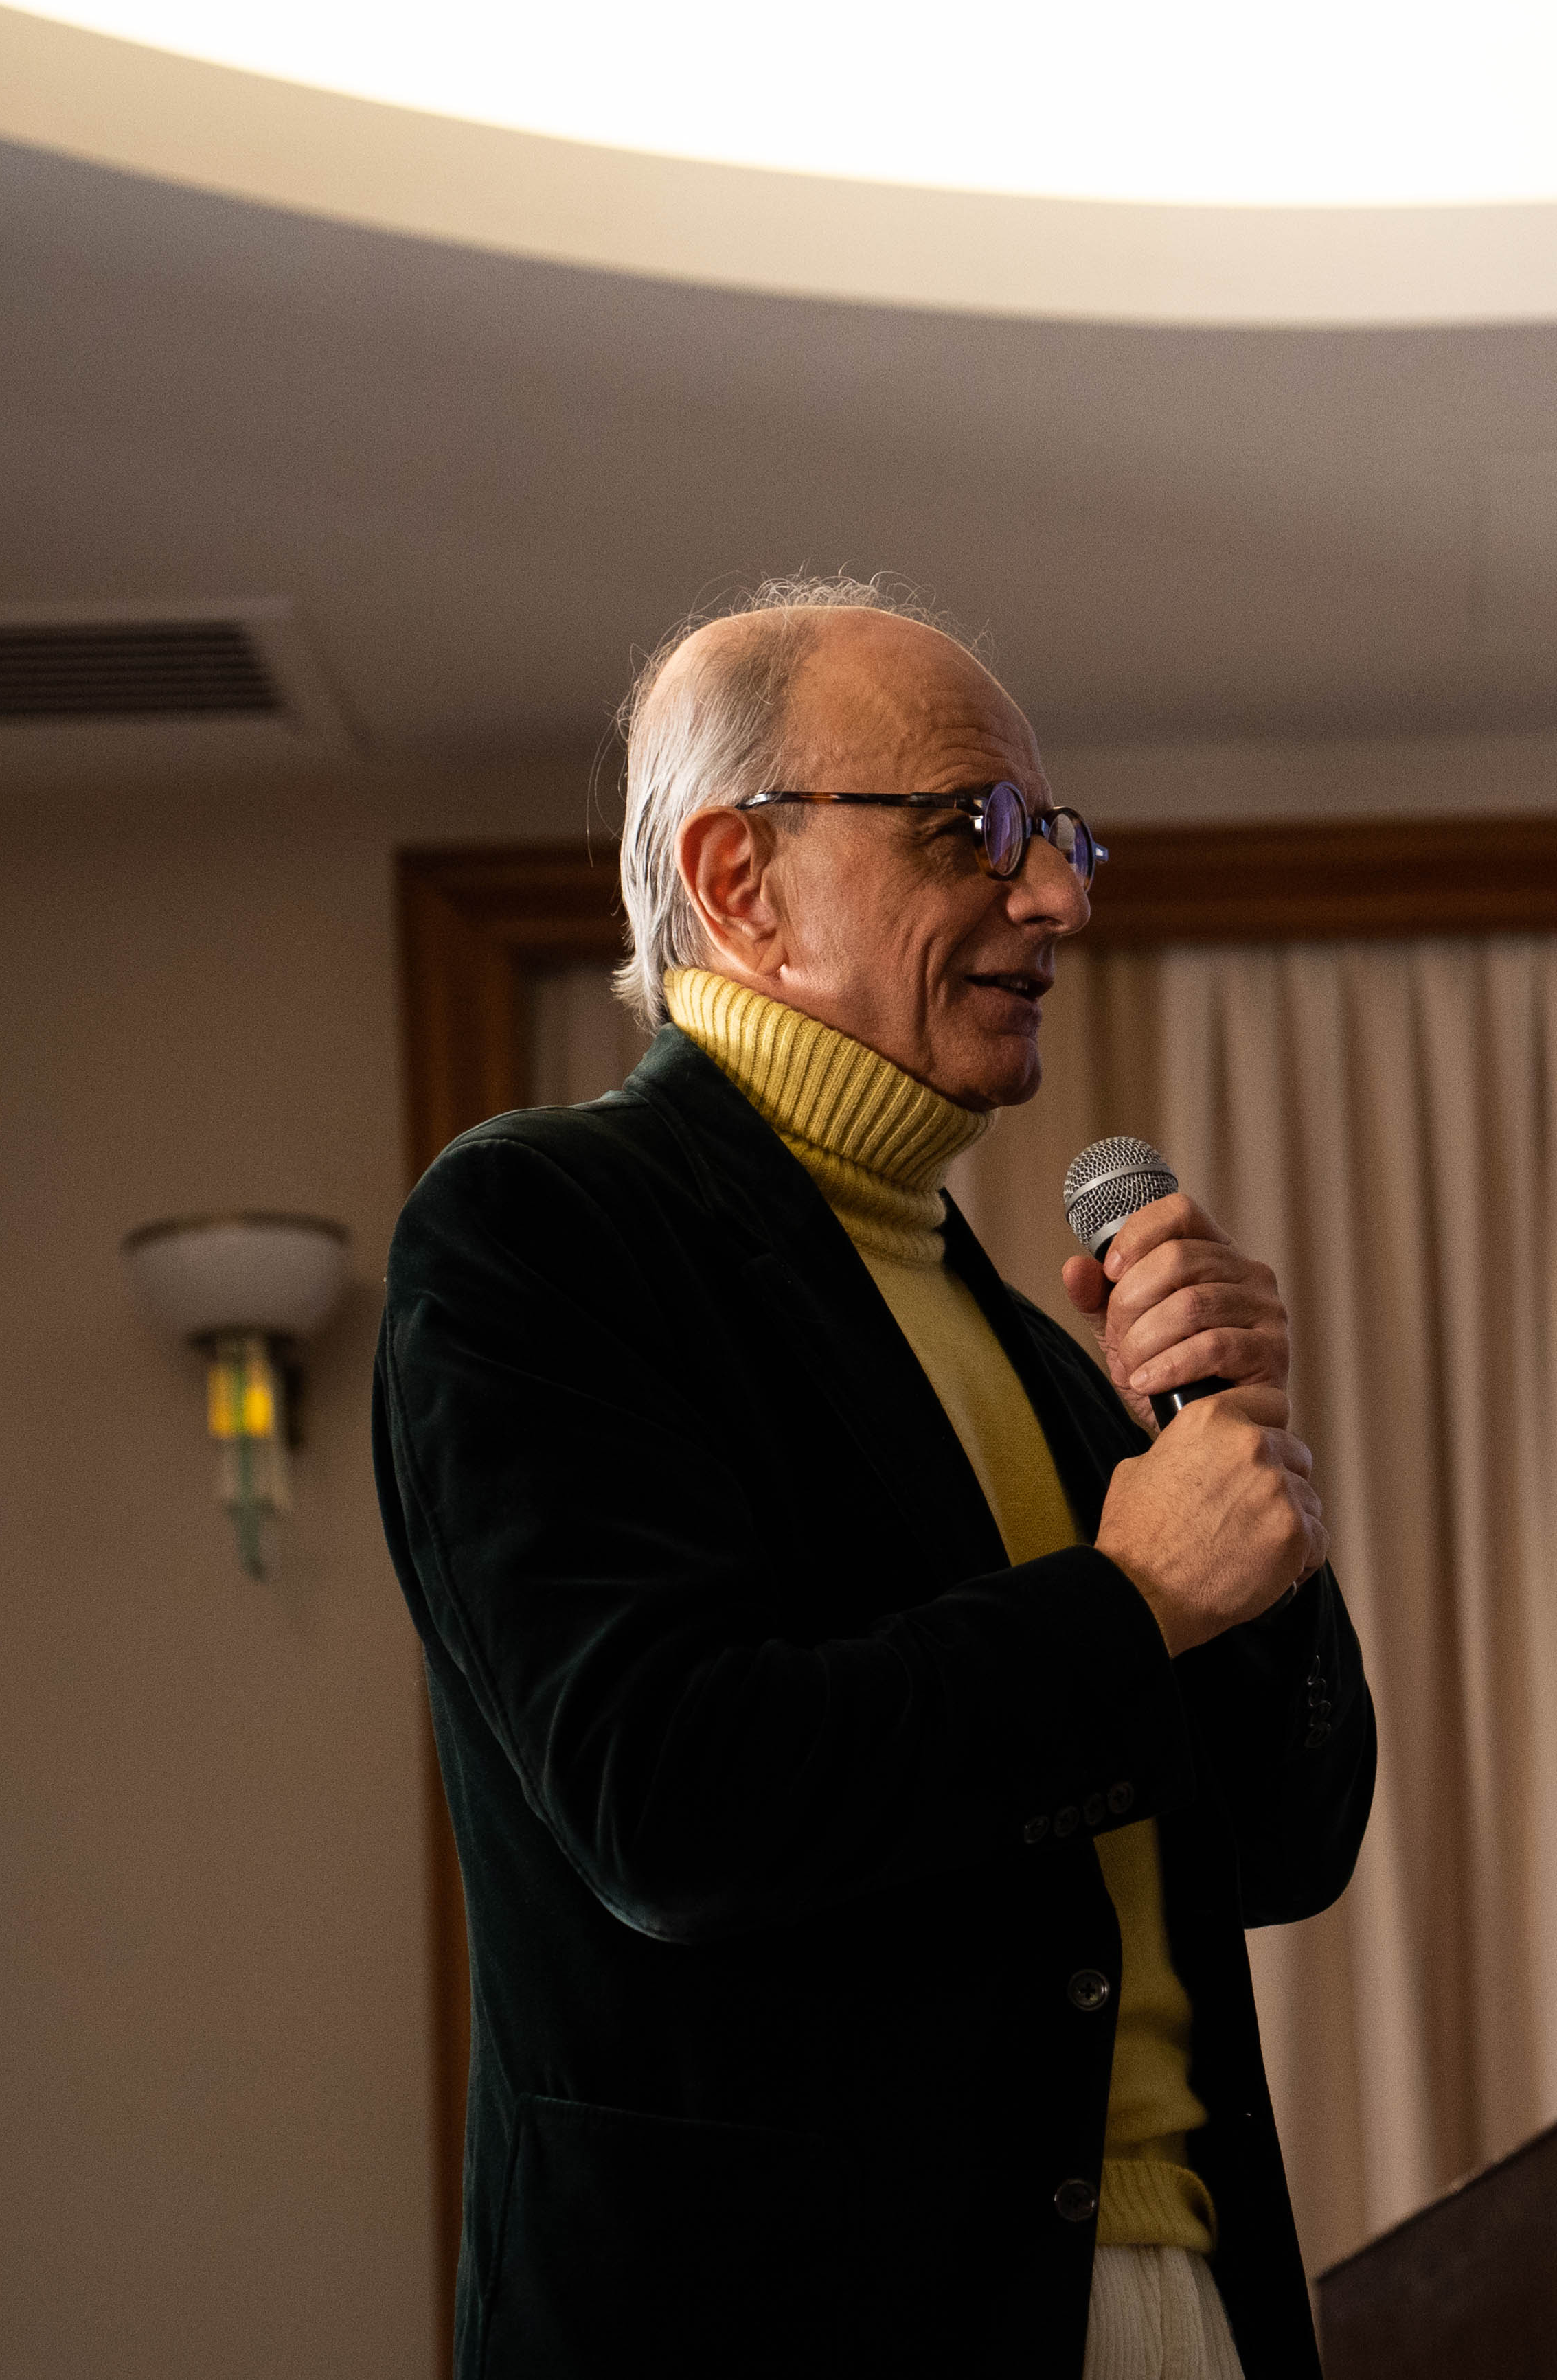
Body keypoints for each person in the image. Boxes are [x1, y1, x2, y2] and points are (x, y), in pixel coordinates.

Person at [374, 577, 1376, 2377]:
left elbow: (1285, 1844)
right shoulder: (545, 1231)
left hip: (1180, 2294)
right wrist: (1132, 1597)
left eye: (1058, 837)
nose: (1056, 897)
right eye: (973, 827)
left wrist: (1237, 1484)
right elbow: (673, 1798)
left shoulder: (1046, 1363)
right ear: (741, 878)